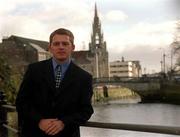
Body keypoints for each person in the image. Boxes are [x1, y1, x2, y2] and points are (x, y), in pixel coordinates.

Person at [16, 28, 94, 137]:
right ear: (50, 48)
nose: (61, 47)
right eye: (56, 44)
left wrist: (63, 123)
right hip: (34, 132)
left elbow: (86, 110)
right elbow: (21, 102)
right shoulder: (34, 70)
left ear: (72, 48)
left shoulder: (84, 77)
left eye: (65, 44)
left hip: (66, 133)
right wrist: (39, 121)